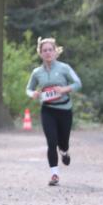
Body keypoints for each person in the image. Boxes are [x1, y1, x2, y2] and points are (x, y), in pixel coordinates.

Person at [26, 37, 82, 187]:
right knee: (51, 142)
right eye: (44, 50)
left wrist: (64, 89)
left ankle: (64, 151)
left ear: (55, 51)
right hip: (48, 110)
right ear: (40, 53)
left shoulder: (64, 68)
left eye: (50, 50)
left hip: (64, 110)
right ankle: (54, 174)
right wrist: (34, 94)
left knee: (62, 142)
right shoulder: (37, 72)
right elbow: (29, 89)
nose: (48, 53)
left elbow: (78, 83)